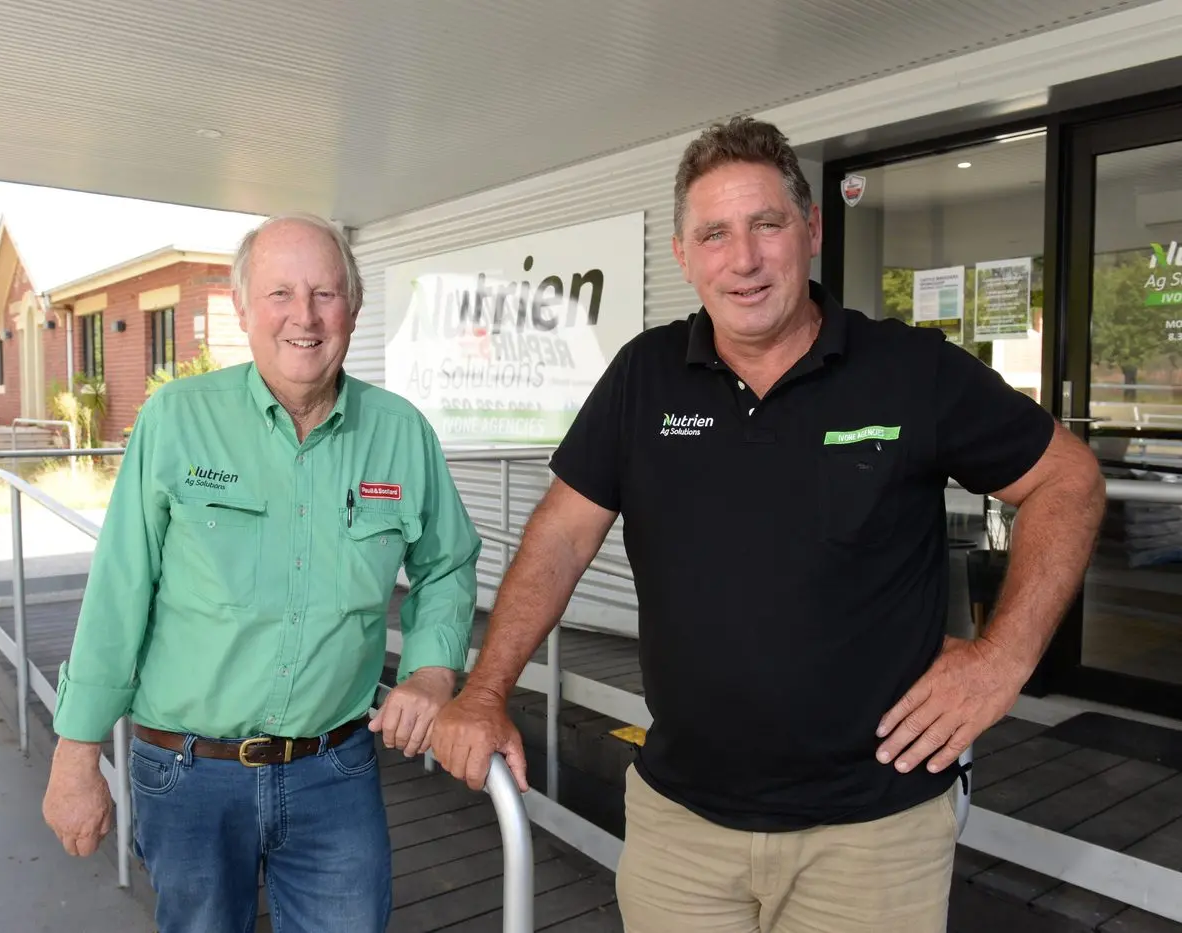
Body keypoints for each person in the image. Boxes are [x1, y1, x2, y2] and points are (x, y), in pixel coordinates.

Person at [430, 116, 1105, 932]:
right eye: (714, 234)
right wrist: (488, 689)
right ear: (683, 256)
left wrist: (1005, 658)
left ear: (811, 230)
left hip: (871, 834)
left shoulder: (908, 370)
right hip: (682, 827)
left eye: (767, 225)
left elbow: (1067, 477)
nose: (743, 259)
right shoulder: (645, 376)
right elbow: (562, 535)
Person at [41, 212, 482, 933]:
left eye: (324, 294)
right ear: (242, 309)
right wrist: (77, 751)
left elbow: (448, 561)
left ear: (355, 306)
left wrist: (432, 670)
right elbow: (120, 590)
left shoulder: (401, 432)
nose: (303, 317)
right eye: (279, 294)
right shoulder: (177, 420)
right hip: (187, 774)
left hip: (334, 771)